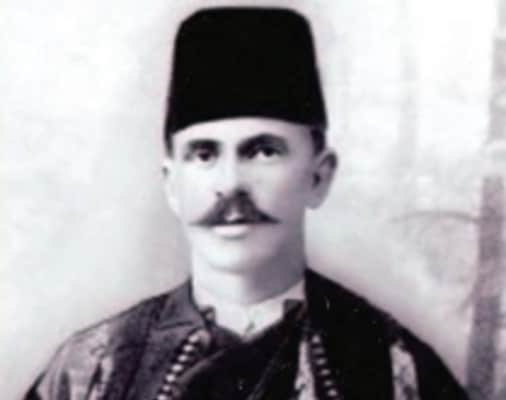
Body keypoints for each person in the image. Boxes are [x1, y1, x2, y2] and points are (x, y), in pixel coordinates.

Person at [25, 7, 469, 400]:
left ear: (318, 177)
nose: (231, 183)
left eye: (263, 151)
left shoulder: (394, 367)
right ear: (172, 184)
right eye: (204, 154)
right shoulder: (92, 370)